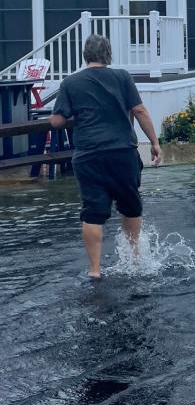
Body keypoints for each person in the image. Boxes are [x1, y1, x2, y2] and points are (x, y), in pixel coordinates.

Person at [50, 34, 162, 279]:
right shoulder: (122, 77)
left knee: (92, 212)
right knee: (131, 207)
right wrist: (154, 142)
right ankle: (135, 259)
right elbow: (140, 110)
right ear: (108, 54)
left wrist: (67, 115)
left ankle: (95, 270)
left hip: (89, 155)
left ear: (85, 54)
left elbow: (58, 120)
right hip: (122, 152)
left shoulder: (70, 83)